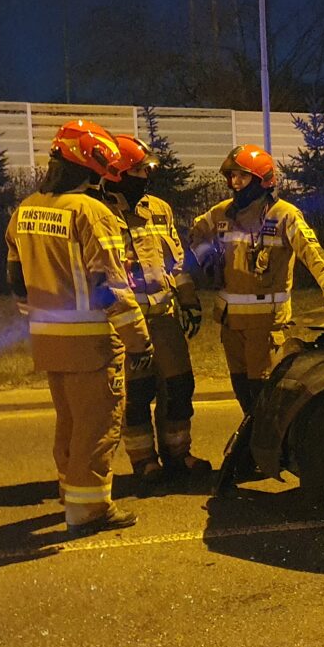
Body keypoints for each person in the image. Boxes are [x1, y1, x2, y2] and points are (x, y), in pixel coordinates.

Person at [5, 119, 152, 535]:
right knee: (98, 424)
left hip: (49, 339)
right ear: (93, 163)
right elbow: (109, 284)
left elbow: (15, 275)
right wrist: (138, 339)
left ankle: (70, 492)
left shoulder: (27, 208)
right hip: (91, 344)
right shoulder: (90, 211)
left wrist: (34, 318)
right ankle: (89, 511)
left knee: (69, 421)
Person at [189, 144, 324, 413]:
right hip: (231, 328)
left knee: (264, 402)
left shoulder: (284, 215)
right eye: (232, 176)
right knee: (244, 397)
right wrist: (206, 257)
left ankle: (268, 453)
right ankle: (251, 451)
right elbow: (195, 232)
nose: (235, 183)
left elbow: (312, 253)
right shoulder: (221, 214)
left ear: (263, 179)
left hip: (265, 328)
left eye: (242, 176)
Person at [105, 135, 209, 484]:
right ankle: (144, 461)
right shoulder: (101, 214)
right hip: (126, 322)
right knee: (136, 396)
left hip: (164, 319)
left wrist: (190, 302)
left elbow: (177, 263)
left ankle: (178, 455)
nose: (144, 178)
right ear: (116, 173)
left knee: (179, 386)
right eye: (136, 170)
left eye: (146, 170)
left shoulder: (159, 210)